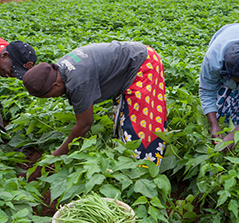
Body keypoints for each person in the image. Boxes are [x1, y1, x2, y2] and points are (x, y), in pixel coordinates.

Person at [22, 42, 167, 164]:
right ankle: (125, 157)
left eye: (50, 96)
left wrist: (61, 151)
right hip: (131, 60)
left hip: (144, 63)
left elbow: (85, 123)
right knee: (123, 116)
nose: (53, 98)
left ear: (56, 86)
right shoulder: (59, 69)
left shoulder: (78, 81)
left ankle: (144, 169)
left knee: (139, 125)